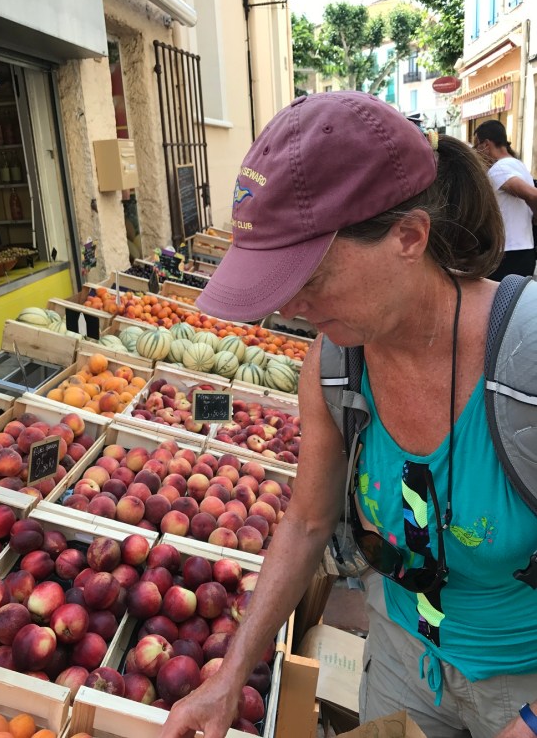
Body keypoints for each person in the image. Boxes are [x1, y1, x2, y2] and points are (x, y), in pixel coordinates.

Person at [159, 91, 537, 738]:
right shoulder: (334, 367)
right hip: (400, 663)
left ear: (408, 237)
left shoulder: (525, 360)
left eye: (309, 277)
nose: (289, 308)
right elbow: (306, 522)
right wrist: (227, 677)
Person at [473, 120, 537, 280]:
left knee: (499, 303)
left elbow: (533, 195)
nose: (476, 151)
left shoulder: (500, 169)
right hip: (524, 251)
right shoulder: (519, 165)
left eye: (477, 145)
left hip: (507, 255)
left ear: (486, 144)